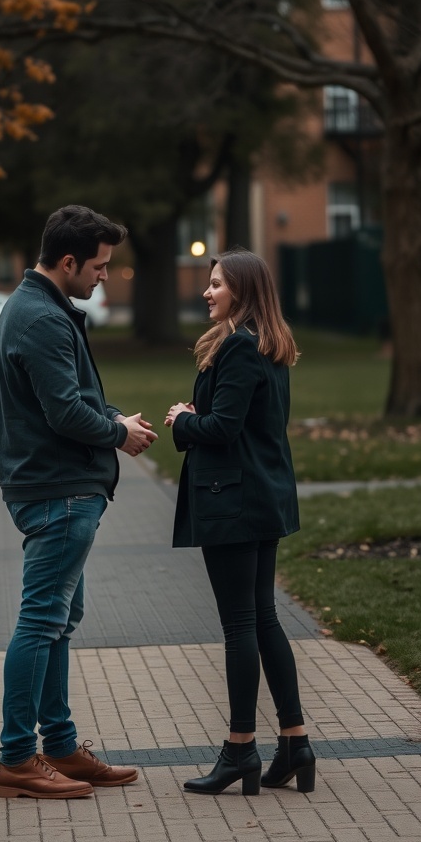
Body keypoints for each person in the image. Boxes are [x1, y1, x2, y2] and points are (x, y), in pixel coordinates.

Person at [0, 204, 157, 799]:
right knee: (42, 622)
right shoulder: (41, 317)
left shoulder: (37, 307)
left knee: (58, 622)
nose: (105, 275)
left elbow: (66, 397)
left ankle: (60, 747)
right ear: (68, 262)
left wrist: (113, 417)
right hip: (58, 491)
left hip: (58, 487)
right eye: (100, 266)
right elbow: (64, 412)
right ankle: (18, 759)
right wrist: (118, 434)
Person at [165, 248, 315, 797]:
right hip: (262, 497)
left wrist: (183, 420)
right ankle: (294, 744)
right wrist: (200, 417)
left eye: (217, 284)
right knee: (263, 618)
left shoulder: (239, 348)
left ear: (242, 291)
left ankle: (240, 750)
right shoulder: (268, 345)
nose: (207, 292)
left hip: (234, 503)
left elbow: (223, 428)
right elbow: (246, 423)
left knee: (240, 625)